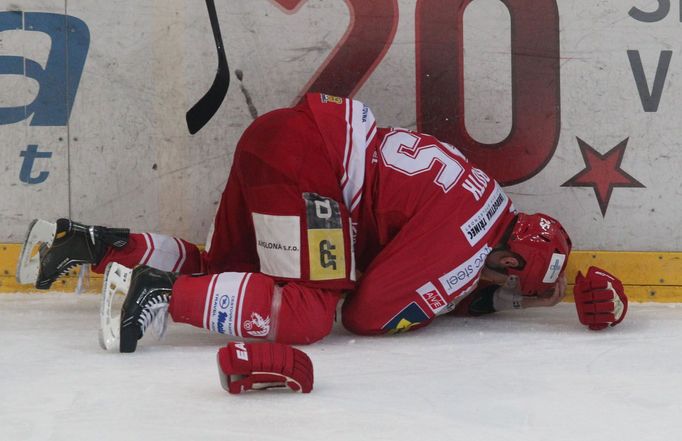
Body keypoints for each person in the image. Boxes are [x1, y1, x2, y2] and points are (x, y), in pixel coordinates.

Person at [19, 93, 572, 353]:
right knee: (309, 313)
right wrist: (449, 302)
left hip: (282, 136)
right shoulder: (469, 238)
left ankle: (96, 246)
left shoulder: (485, 196)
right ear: (509, 259)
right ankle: (157, 293)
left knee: (228, 271)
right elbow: (369, 314)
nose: (496, 290)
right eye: (506, 285)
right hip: (312, 169)